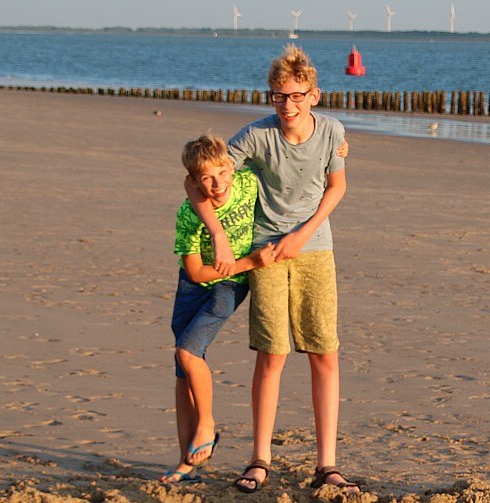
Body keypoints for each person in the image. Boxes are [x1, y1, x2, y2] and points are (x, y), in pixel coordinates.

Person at [186, 44, 358, 494]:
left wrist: (304, 234)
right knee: (272, 355)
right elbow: (198, 177)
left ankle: (328, 465)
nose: (289, 104)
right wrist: (218, 235)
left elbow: (337, 186)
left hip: (315, 251)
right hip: (266, 254)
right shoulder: (256, 137)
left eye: (297, 95)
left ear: (314, 96)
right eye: (280, 96)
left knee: (324, 353)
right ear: (271, 97)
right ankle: (260, 459)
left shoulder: (332, 132)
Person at [161, 134, 276, 484]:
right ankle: (187, 462)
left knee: (187, 352)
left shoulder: (246, 181)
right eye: (206, 179)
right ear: (194, 182)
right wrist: (250, 262)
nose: (217, 184)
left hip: (228, 286)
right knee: (183, 368)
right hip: (194, 286)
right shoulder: (188, 215)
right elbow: (195, 271)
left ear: (231, 167)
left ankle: (208, 426)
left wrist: (339, 148)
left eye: (222, 173)